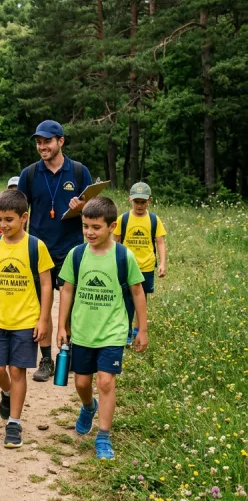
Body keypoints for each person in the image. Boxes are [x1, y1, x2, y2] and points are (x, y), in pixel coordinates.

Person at [57, 197, 148, 460]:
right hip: (83, 330)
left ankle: (104, 436)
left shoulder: (123, 255)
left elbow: (137, 291)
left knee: (106, 381)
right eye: (85, 226)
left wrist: (141, 329)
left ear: (112, 226)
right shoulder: (77, 254)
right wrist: (62, 325)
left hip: (113, 330)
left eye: (96, 227)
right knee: (82, 382)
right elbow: (67, 290)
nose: (89, 232)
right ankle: (88, 407)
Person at [0, 190, 54, 448]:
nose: (3, 225)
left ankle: (14, 424)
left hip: (25, 320)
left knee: (18, 371)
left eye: (9, 220)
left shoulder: (35, 246)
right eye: (0, 220)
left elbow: (46, 285)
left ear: (24, 218)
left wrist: (43, 320)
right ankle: (6, 392)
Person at [18, 119, 92, 382]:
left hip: (72, 250)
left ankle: (69, 351)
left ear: (61, 141)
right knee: (42, 307)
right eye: (39, 142)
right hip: (39, 251)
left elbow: (93, 211)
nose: (42, 147)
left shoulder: (80, 172)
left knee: (72, 305)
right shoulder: (29, 174)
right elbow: (19, 210)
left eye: (47, 141)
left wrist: (82, 206)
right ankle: (46, 359)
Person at [113, 182, 167, 342]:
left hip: (146, 266)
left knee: (142, 299)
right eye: (136, 201)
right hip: (127, 267)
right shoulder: (123, 219)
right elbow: (115, 241)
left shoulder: (154, 220)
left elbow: (160, 242)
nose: (139, 205)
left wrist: (162, 263)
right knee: (126, 299)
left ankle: (138, 328)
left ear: (149, 201)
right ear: (130, 200)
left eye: (143, 202)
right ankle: (127, 330)